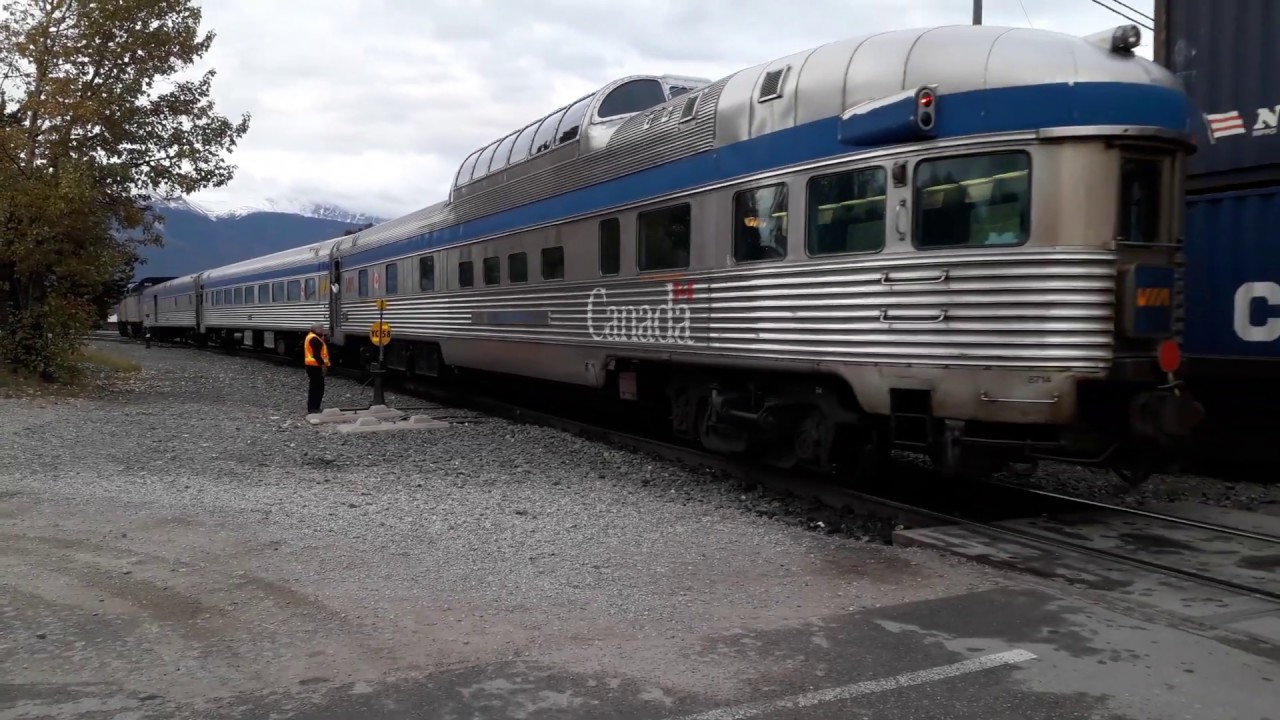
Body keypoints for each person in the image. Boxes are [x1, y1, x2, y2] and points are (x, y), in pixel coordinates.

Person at [303, 323, 330, 414]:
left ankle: (312, 407)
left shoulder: (312, 337)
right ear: (317, 329)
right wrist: (323, 366)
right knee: (317, 388)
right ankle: (314, 408)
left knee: (314, 387)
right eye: (322, 328)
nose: (323, 329)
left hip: (311, 366)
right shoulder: (314, 339)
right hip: (315, 367)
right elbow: (317, 355)